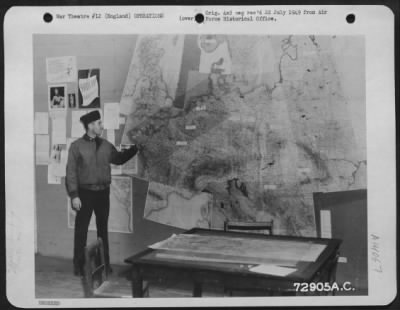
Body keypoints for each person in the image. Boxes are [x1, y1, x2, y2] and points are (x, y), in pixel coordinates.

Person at [65, 110, 140, 276]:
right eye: (99, 123)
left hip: (103, 193)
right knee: (81, 231)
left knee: (102, 230)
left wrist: (136, 148)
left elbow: (119, 159)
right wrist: (74, 195)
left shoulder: (106, 145)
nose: (102, 126)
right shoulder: (76, 147)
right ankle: (79, 267)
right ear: (90, 126)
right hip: (85, 194)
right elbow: (70, 172)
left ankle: (104, 264)